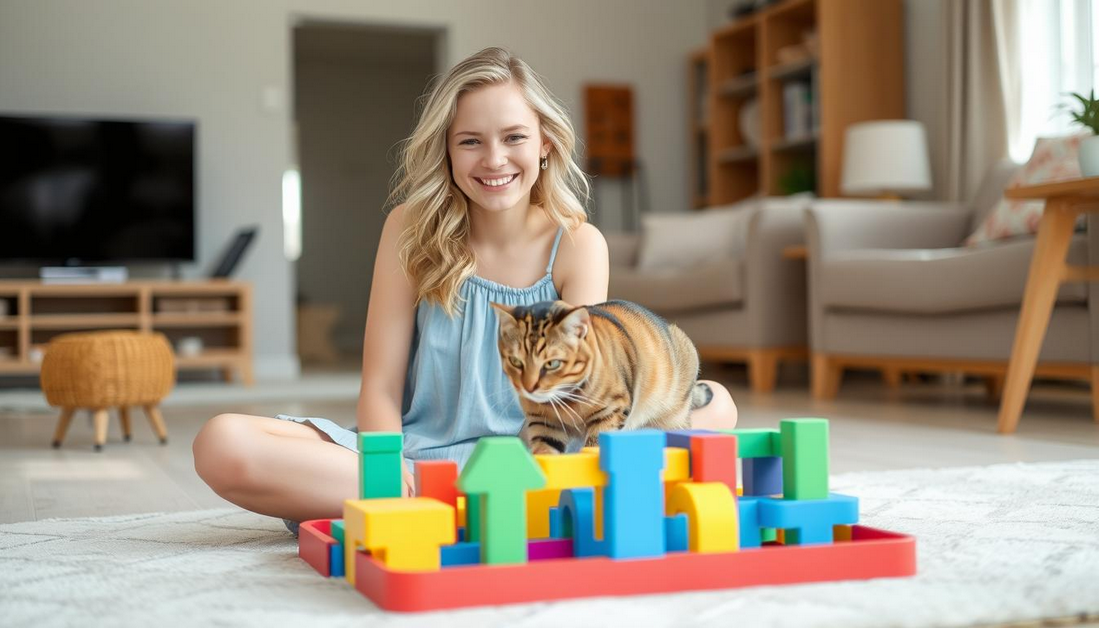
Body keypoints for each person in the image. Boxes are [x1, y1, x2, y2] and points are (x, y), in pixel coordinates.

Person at [192, 47, 737, 535]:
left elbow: (584, 396)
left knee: (717, 406)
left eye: (514, 137)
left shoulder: (578, 244)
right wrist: (388, 473)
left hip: (529, 459)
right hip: (410, 458)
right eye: (471, 141)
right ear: (447, 153)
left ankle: (450, 505)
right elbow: (380, 388)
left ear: (545, 144)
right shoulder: (410, 227)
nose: (494, 159)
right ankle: (442, 504)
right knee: (222, 443)